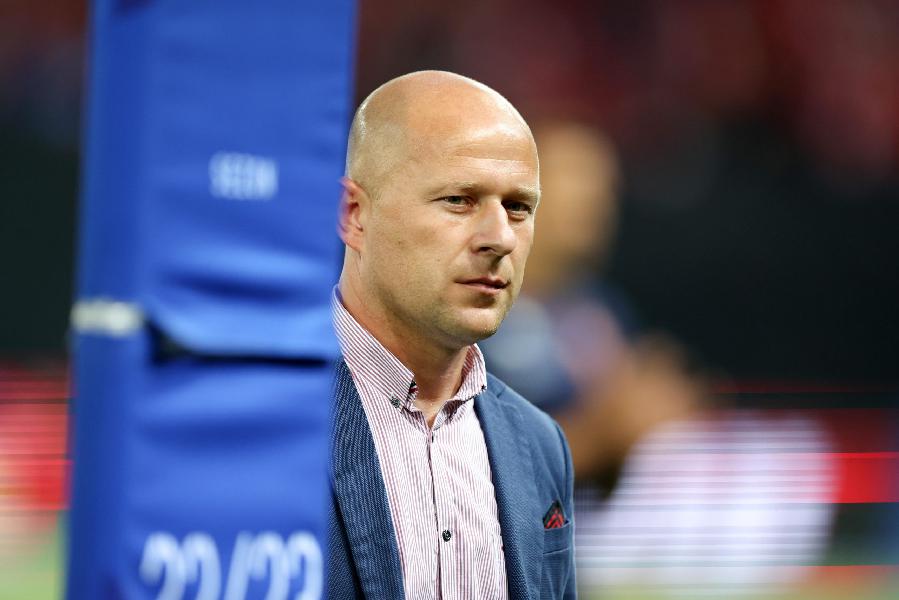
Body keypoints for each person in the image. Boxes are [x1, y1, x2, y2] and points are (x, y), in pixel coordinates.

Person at [327, 71, 576, 599]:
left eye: (518, 207)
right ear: (355, 215)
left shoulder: (540, 445)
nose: (500, 238)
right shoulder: (260, 421)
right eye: (459, 200)